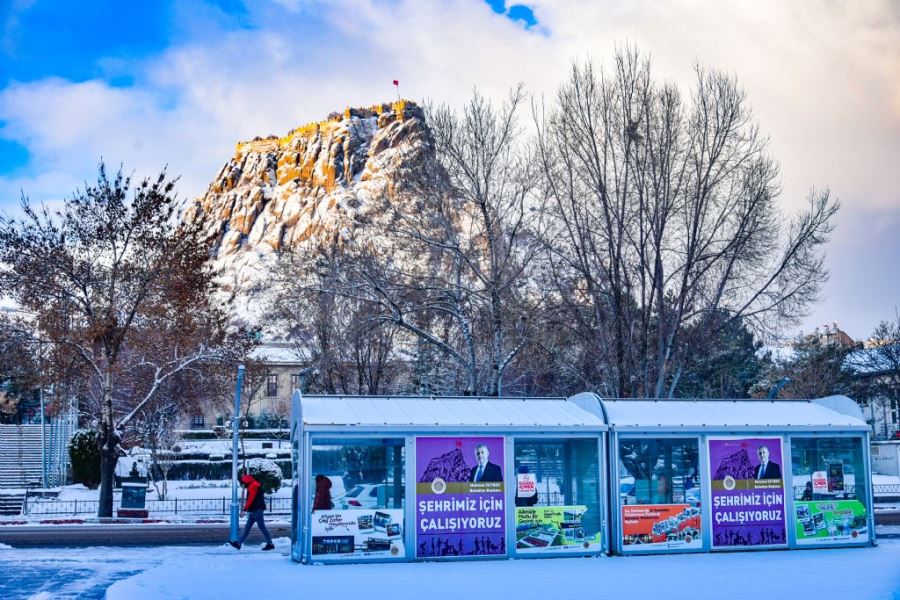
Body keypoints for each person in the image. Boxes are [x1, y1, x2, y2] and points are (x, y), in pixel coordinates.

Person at [230, 473, 275, 551]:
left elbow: (250, 499)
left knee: (262, 527)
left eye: (243, 484)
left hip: (257, 510)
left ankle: (270, 544)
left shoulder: (253, 486)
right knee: (247, 528)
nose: (243, 485)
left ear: (246, 482)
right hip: (254, 510)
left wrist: (244, 510)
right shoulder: (253, 484)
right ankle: (238, 543)